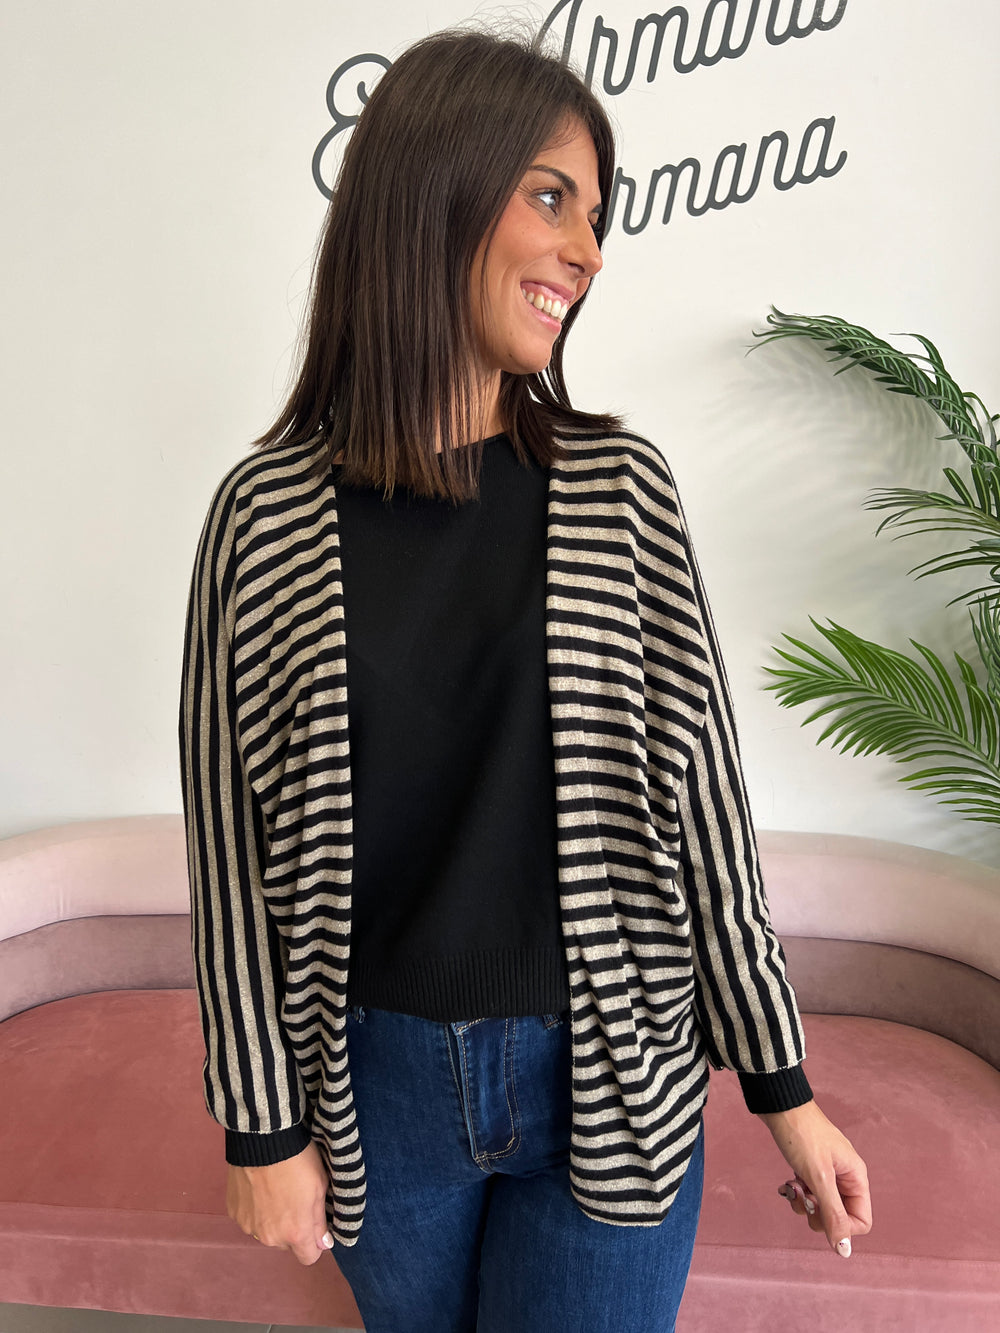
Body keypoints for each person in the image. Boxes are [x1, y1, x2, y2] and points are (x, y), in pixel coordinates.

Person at [179, 27, 872, 1333]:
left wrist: (784, 1087)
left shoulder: (620, 491)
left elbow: (705, 808)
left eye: (596, 216)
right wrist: (258, 1124)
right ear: (433, 188)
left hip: (617, 1064)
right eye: (553, 198)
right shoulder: (264, 516)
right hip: (373, 1086)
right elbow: (231, 848)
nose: (589, 252)